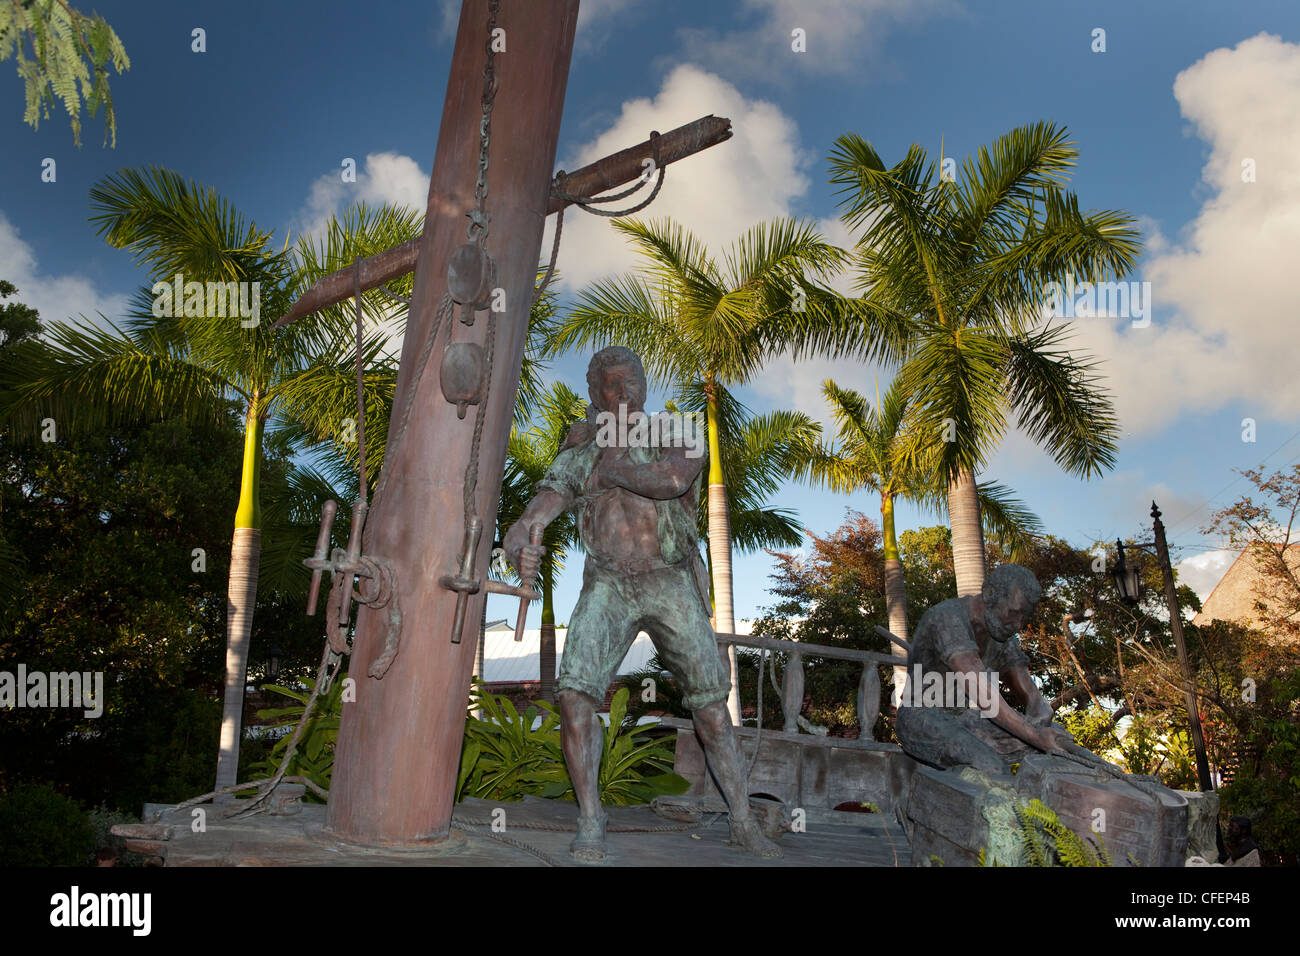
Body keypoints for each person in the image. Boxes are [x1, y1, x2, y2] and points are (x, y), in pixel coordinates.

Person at [502, 346, 780, 862]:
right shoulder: (582, 447)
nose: (623, 391)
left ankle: (742, 819)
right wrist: (524, 528)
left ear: (645, 385)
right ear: (596, 393)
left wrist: (612, 471)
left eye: (631, 380)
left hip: (668, 579)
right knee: (575, 696)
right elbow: (551, 494)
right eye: (611, 383)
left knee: (711, 708)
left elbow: (673, 479)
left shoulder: (676, 432)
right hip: (608, 582)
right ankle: (591, 817)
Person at [895, 563, 1076, 773]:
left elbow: (1026, 686)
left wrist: (1039, 710)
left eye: (1023, 617)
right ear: (989, 594)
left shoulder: (1000, 630)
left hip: (965, 719)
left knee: (1060, 740)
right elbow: (982, 692)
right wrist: (1034, 736)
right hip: (920, 717)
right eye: (1014, 613)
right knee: (990, 766)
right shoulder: (946, 618)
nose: (1018, 624)